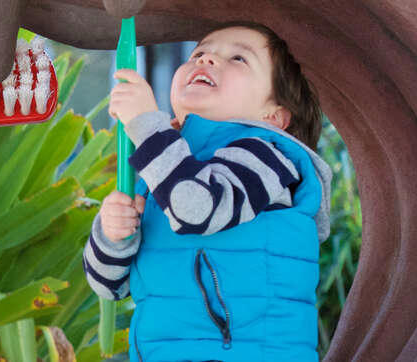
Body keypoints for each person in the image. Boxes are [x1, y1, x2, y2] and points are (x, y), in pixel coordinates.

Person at [83, 23, 333, 360]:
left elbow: (198, 207)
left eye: (238, 58)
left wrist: (145, 122)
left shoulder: (271, 157)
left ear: (274, 116)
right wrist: (114, 236)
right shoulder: (162, 168)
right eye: (198, 52)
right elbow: (109, 285)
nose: (208, 59)